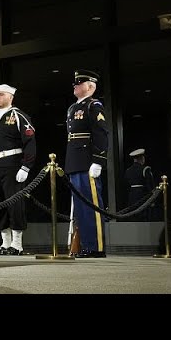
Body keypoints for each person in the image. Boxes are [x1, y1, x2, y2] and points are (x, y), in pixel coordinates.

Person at [0, 84, 36, 255]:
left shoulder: (18, 116)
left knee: (14, 204)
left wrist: (26, 166)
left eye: (1, 95)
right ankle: (5, 243)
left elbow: (30, 142)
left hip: (13, 165)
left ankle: (17, 244)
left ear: (10, 97)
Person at [65, 69, 109, 258]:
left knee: (91, 206)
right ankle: (85, 245)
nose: (75, 85)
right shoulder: (74, 107)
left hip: (87, 161)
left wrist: (98, 160)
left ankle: (95, 247)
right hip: (75, 161)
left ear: (90, 86)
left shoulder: (94, 106)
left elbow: (100, 133)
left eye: (79, 83)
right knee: (80, 208)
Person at [124, 148, 155, 221]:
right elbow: (150, 185)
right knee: (143, 216)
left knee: (133, 217)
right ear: (141, 158)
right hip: (143, 196)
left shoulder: (128, 171)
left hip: (131, 197)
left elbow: (126, 185)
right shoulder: (145, 169)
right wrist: (152, 200)